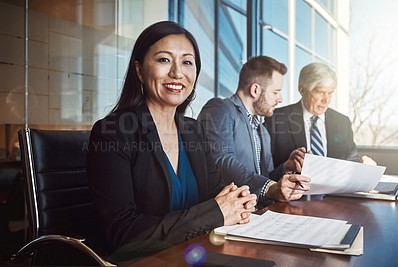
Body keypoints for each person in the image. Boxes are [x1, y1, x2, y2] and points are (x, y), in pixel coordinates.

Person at [86, 21, 257, 261]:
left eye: (187, 62)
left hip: (195, 255)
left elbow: (214, 193)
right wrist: (214, 213)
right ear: (139, 70)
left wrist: (239, 202)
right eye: (164, 60)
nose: (177, 73)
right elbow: (124, 234)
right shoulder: (113, 132)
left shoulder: (193, 130)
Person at [197, 56, 310, 205]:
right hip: (226, 215)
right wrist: (269, 188)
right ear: (255, 90)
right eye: (275, 92)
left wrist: (286, 167)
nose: (280, 99)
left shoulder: (262, 130)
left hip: (258, 214)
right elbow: (221, 161)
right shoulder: (220, 108)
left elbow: (265, 176)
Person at [264, 62, 375, 169]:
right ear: (302, 90)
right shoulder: (276, 119)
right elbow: (265, 170)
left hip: (334, 188)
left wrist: (361, 164)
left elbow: (351, 160)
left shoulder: (342, 122)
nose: (326, 100)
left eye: (330, 93)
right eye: (320, 92)